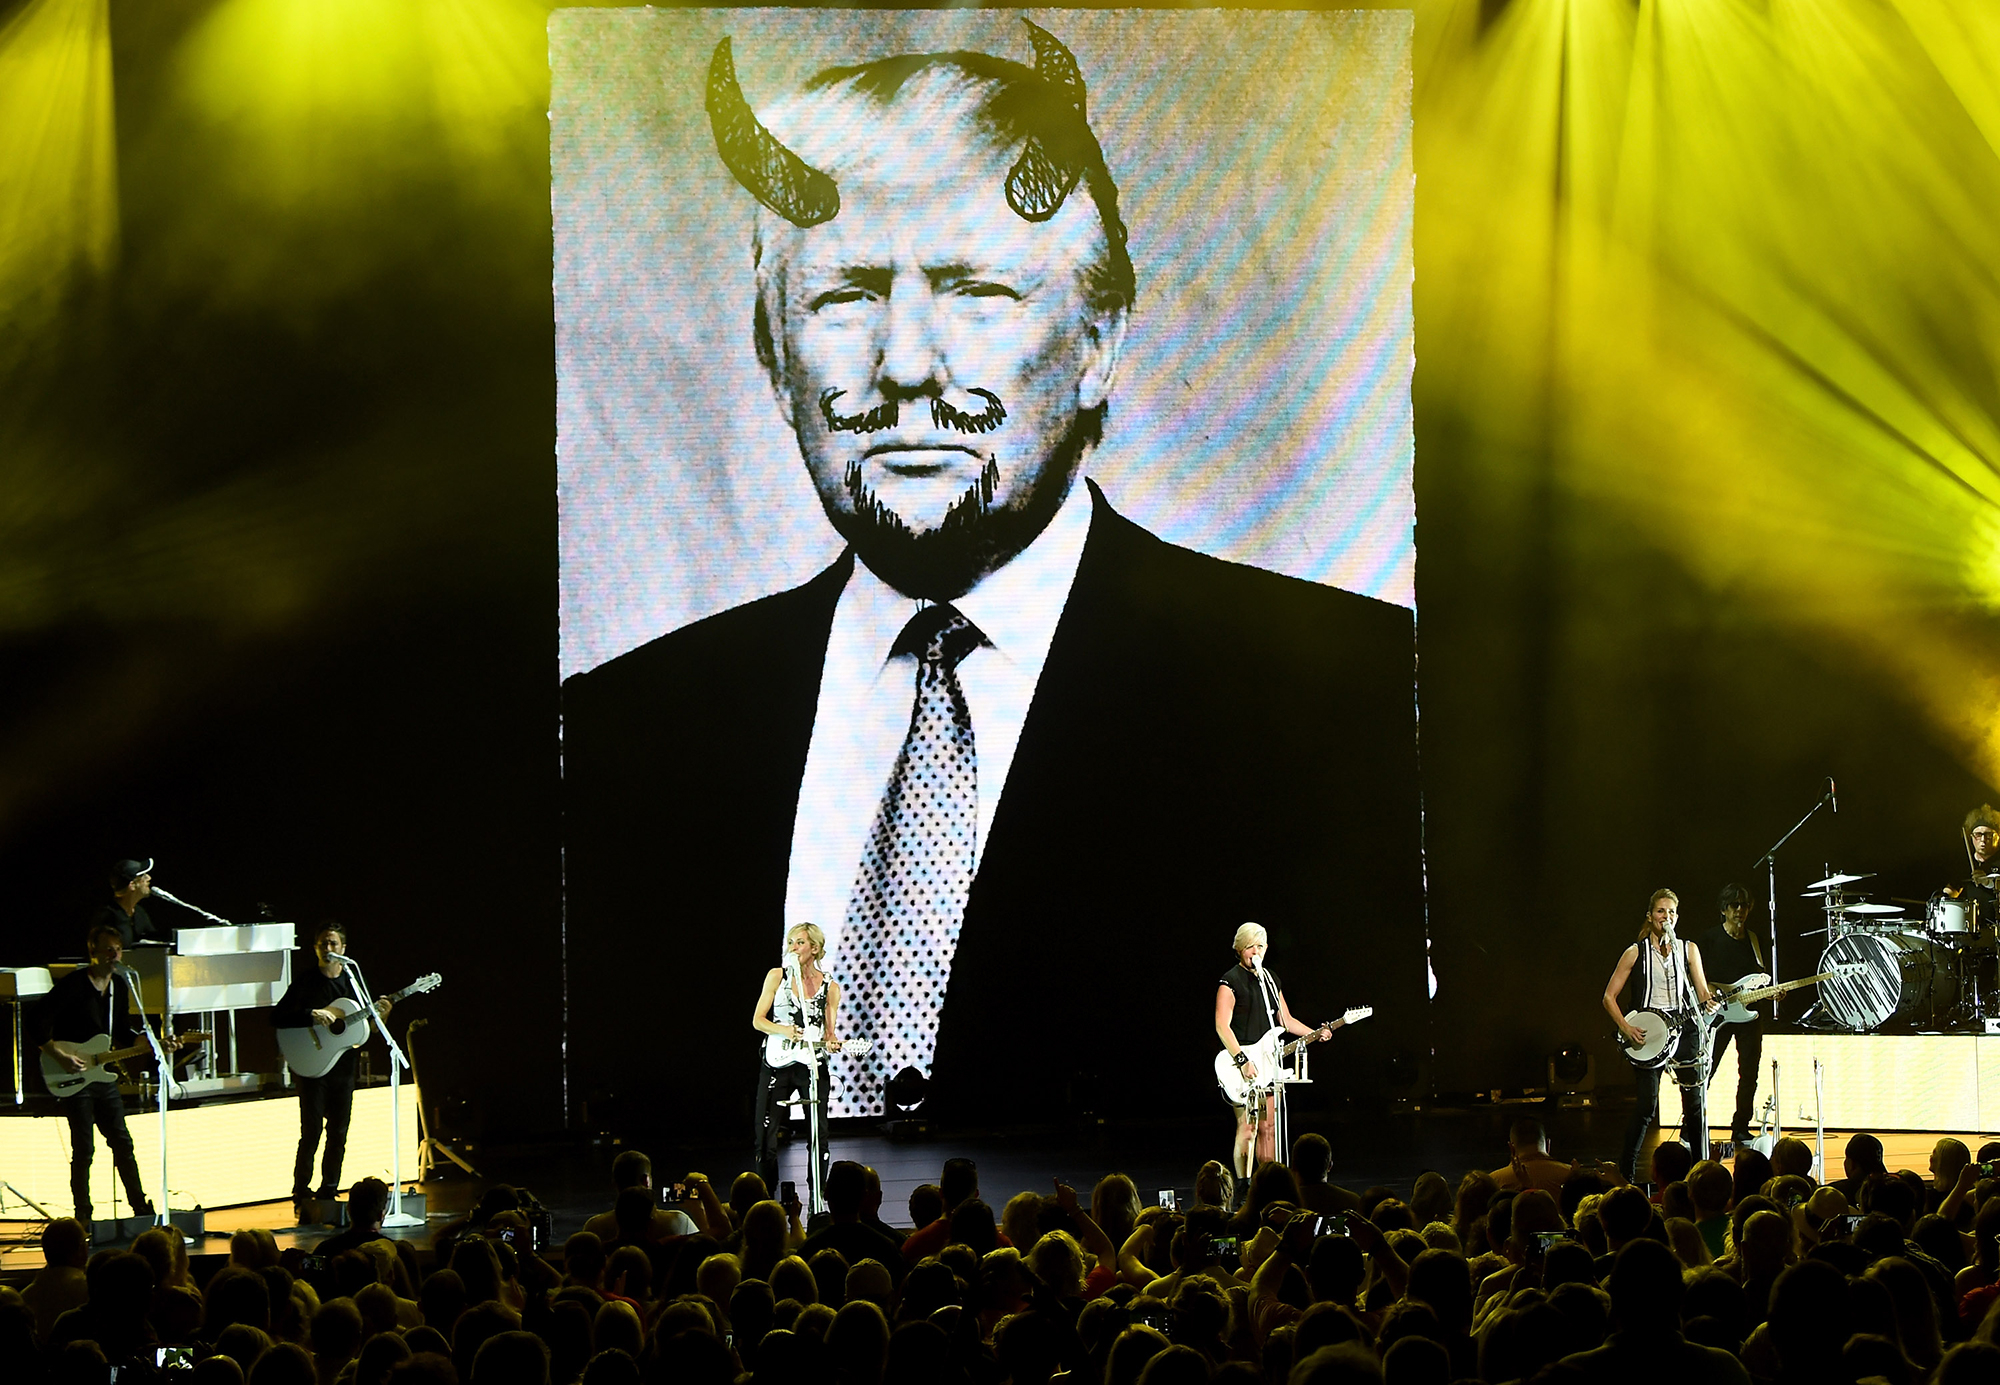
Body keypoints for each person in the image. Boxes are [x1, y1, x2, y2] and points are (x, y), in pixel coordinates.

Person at [560, 20, 1425, 1127]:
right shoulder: (621, 731)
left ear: (1099, 340)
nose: (905, 364)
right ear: (773, 356)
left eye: (976, 291)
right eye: (843, 297)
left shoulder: (1347, 695)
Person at [32, 925, 162, 1235]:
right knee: (84, 1149)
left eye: (118, 949)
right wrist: (59, 1055)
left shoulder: (119, 986)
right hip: (72, 1075)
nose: (115, 955)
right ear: (93, 952)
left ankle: (140, 1208)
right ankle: (83, 1216)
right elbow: (37, 1021)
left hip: (102, 1077)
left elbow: (121, 1032)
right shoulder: (73, 985)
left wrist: (145, 1042)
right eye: (108, 949)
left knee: (122, 1142)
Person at [271, 923, 392, 1225]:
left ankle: (329, 1190)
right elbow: (277, 1016)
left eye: (333, 944)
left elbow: (366, 1030)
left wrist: (382, 1015)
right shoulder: (306, 982)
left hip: (343, 1069)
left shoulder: (353, 983)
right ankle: (301, 1192)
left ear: (344, 949)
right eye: (323, 944)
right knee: (311, 1131)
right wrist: (311, 1014)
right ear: (315, 948)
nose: (328, 949)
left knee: (338, 1132)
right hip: (312, 1067)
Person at [1603, 888, 1720, 1180]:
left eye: (1671, 912)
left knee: (1695, 1104)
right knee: (1646, 1105)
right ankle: (1626, 1173)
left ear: (1677, 917)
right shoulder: (1636, 951)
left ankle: (1700, 1172)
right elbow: (1608, 996)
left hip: (1683, 1029)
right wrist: (1626, 1027)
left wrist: (1712, 1002)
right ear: (1650, 916)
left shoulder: (1688, 950)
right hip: (1649, 1032)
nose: (1666, 917)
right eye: (1660, 911)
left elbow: (1702, 993)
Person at [1214, 923, 1331, 1180]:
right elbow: (1222, 1025)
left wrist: (1315, 1032)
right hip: (1242, 1065)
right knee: (1248, 1128)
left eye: (1260, 946)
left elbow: (1285, 1021)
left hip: (1268, 1065)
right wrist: (1242, 1060)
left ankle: (1270, 1182)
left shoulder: (1270, 979)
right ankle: (1245, 1186)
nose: (1255, 952)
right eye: (1250, 947)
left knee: (1269, 1129)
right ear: (1239, 949)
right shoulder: (1230, 981)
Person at [751, 923, 843, 1201]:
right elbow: (758, 1020)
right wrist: (784, 1030)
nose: (793, 948)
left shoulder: (829, 987)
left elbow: (829, 1033)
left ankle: (818, 1195)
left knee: (818, 1134)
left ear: (814, 948)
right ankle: (766, 1197)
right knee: (765, 1133)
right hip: (777, 1061)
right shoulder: (777, 977)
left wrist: (832, 1041)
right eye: (790, 942)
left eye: (799, 942)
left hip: (810, 1063)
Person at [1696, 883, 1769, 1144]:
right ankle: (1691, 1127)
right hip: (1717, 1014)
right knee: (1706, 1071)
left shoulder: (1753, 940)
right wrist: (1709, 991)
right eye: (1734, 905)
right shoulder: (1708, 939)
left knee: (1749, 1073)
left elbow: (1759, 978)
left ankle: (1740, 1127)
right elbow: (1695, 976)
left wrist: (1771, 992)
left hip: (1749, 1014)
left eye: (1744, 905)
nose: (1740, 910)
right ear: (1723, 909)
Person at [90, 859, 163, 948]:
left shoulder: (139, 913)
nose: (148, 878)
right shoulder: (107, 916)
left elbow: (155, 941)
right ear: (132, 885)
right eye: (143, 876)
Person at [1964, 804, 1998, 907]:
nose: (1983, 840)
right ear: (1971, 837)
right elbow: (1953, 888)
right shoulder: (1963, 864)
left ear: (1998, 836)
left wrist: (1988, 883)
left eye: (1988, 835)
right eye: (1978, 835)